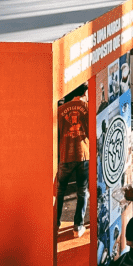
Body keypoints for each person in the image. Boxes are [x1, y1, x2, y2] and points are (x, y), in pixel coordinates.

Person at [56, 84, 89, 238]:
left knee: (60, 191)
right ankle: (78, 226)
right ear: (85, 91)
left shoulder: (61, 109)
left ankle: (55, 224)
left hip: (65, 154)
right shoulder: (86, 107)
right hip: (83, 154)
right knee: (82, 191)